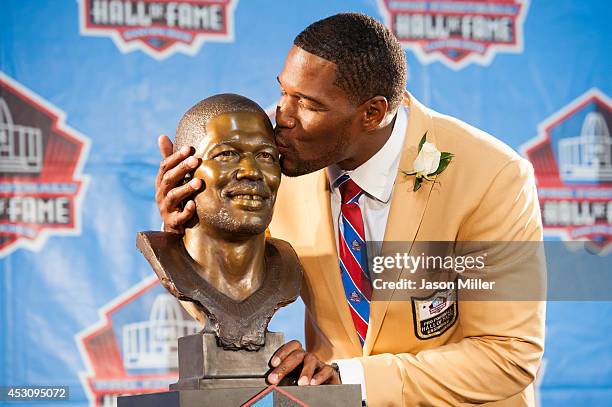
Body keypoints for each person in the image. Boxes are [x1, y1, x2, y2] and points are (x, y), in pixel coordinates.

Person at [154, 13, 545, 407]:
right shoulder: (276, 169)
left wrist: (350, 377)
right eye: (284, 92)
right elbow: (228, 302)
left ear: (372, 113)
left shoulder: (493, 176)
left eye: (307, 104)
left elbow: (507, 354)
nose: (282, 118)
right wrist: (192, 232)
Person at [139, 94, 302, 351]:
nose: (251, 171)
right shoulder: (174, 258)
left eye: (266, 156)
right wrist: (175, 234)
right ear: (181, 172)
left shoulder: (287, 258)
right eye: (226, 154)